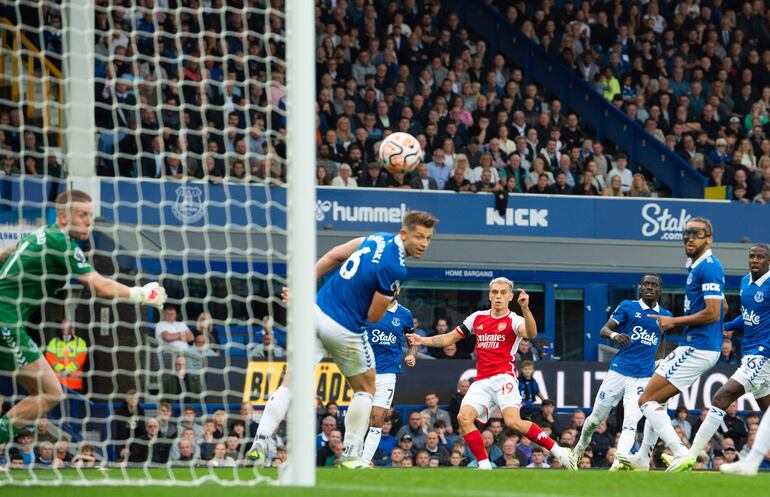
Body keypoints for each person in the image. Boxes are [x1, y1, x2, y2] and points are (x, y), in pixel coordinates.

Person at [247, 211, 438, 468]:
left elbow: (335, 254)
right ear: (404, 233)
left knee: (290, 382)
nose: (424, 243)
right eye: (419, 236)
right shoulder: (395, 268)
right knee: (366, 388)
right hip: (344, 329)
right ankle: (350, 455)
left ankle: (259, 441)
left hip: (314, 312)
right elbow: (372, 316)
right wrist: (383, 295)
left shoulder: (376, 238)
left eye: (428, 238)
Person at [0, 190, 166, 445]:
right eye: (82, 215)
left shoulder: (40, 235)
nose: (89, 221)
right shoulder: (61, 244)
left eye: (90, 215)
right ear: (63, 216)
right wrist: (141, 293)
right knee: (50, 393)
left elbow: (7, 252)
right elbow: (101, 286)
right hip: (6, 320)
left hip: (8, 318)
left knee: (45, 392)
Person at [409, 277, 576, 470]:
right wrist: (422, 340)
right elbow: (448, 338)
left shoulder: (515, 319)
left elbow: (531, 334)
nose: (498, 296)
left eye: (503, 293)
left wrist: (525, 308)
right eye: (495, 292)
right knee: (464, 418)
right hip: (481, 381)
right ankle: (484, 465)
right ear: (489, 295)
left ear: (510, 296)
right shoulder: (477, 317)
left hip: (504, 377)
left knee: (513, 421)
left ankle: (559, 451)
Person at [619, 218, 724, 471]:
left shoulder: (708, 267)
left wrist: (673, 321)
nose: (690, 238)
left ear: (709, 239)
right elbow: (722, 306)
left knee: (646, 399)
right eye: (686, 234)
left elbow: (712, 313)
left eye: (697, 234)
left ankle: (680, 452)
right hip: (698, 344)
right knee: (658, 401)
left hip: (698, 346)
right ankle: (643, 457)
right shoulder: (696, 265)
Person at [689, 244, 770, 476]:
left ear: (769, 262)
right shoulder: (745, 282)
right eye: (751, 256)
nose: (754, 260)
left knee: (722, 396)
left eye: (760, 257)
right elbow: (748, 317)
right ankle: (751, 464)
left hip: (763, 355)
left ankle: (691, 455)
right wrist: (728, 327)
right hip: (753, 353)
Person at [574, 274, 670, 469]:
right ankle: (579, 448)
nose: (649, 288)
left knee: (631, 420)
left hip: (642, 377)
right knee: (595, 419)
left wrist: (659, 361)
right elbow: (604, 330)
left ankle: (618, 462)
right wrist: (616, 335)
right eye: (646, 284)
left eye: (654, 285)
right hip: (618, 372)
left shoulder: (665, 315)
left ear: (660, 290)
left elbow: (661, 339)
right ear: (640, 288)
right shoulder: (628, 306)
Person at [361, 297, 418, 465]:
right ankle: (352, 454)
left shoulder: (404, 314)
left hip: (387, 374)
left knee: (378, 418)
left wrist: (411, 354)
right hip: (364, 371)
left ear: (397, 290)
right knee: (361, 416)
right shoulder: (367, 307)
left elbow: (412, 342)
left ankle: (364, 462)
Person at [44, 319, 88, 392]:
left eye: (68, 328)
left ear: (72, 329)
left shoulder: (80, 342)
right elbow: (50, 357)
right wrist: (61, 369)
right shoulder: (54, 342)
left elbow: (81, 358)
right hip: (58, 383)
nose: (65, 330)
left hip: (74, 384)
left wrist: (68, 370)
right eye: (63, 328)